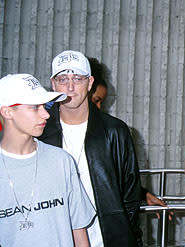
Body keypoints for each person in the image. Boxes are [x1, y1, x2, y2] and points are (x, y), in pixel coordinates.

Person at [38, 50, 143, 247]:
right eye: (62, 79)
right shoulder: (39, 131)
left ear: (90, 82)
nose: (70, 87)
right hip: (54, 237)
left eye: (77, 78)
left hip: (105, 238)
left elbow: (130, 196)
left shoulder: (114, 131)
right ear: (53, 84)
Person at [0, 73, 95, 246]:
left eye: (44, 106)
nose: (46, 114)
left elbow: (79, 231)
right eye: (35, 107)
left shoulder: (62, 161)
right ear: (7, 111)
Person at [87, 57, 174, 220]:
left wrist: (142, 194)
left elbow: (114, 177)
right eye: (96, 101)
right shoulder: (48, 130)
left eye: (101, 103)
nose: (99, 108)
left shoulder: (110, 131)